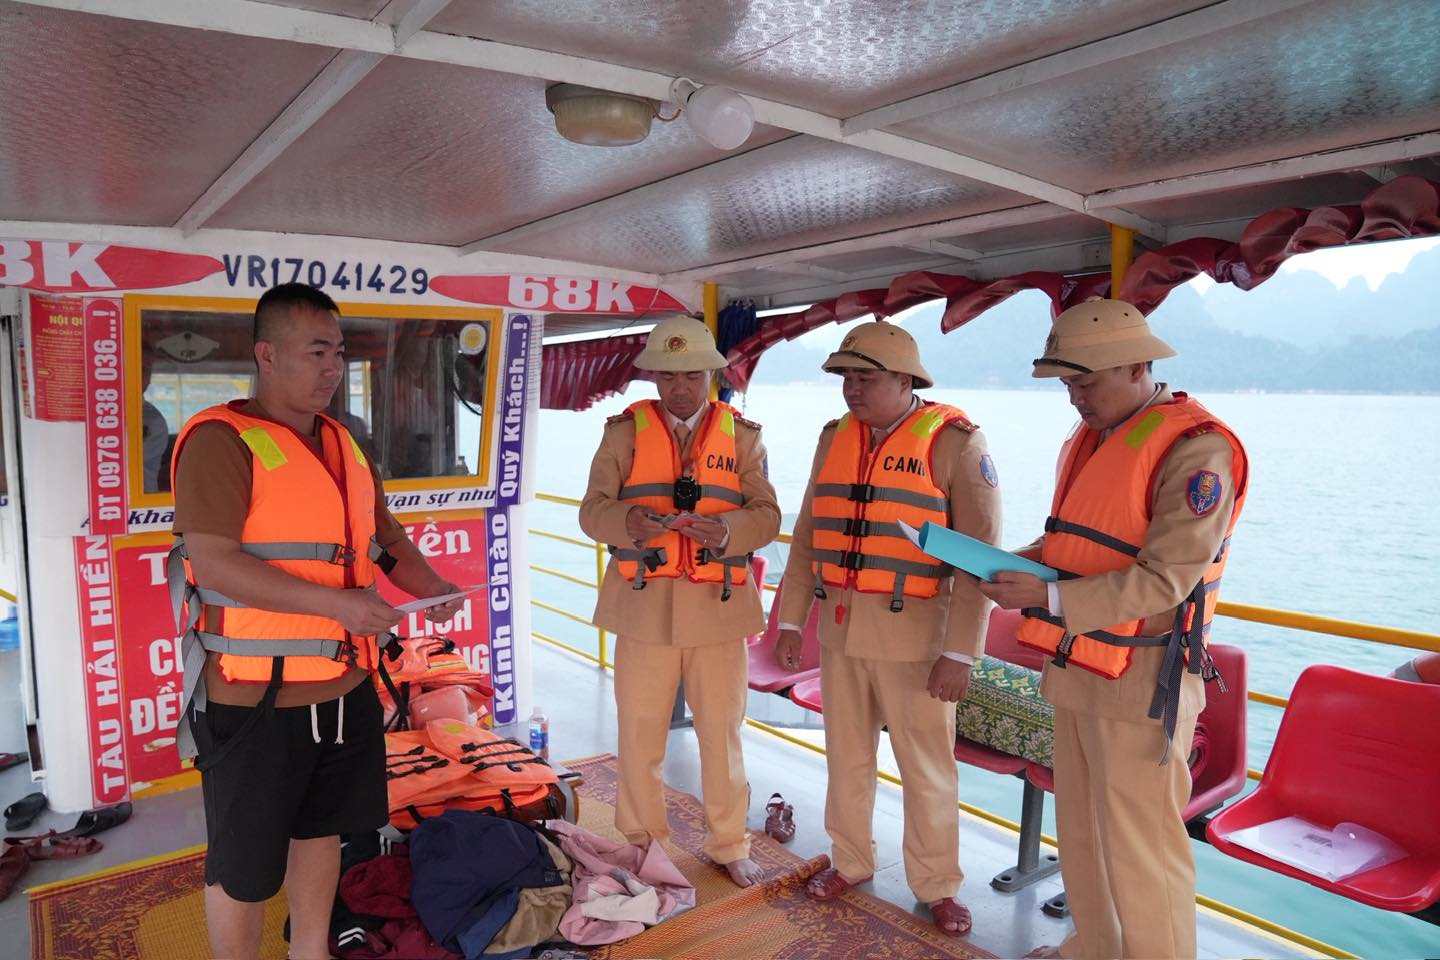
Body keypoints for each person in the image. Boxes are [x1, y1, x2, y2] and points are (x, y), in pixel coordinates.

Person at [168, 283, 466, 960]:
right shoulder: (221, 441)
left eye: (338, 351)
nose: (332, 367)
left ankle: (311, 950)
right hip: (254, 700)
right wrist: (338, 605)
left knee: (323, 835)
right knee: (244, 865)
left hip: (345, 688)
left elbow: (388, 541)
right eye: (316, 351)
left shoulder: (344, 443)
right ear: (267, 354)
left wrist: (434, 586)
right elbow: (212, 564)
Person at [978, 299, 1248, 960]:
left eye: (1085, 383)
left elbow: (1166, 580)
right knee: (1082, 832)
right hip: (1076, 668)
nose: (1074, 399)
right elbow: (1075, 542)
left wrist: (1042, 593)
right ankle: (1093, 948)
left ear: (1136, 365)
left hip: (1143, 682)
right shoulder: (1095, 438)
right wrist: (1015, 564)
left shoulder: (1197, 449)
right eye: (1067, 384)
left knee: (1141, 849)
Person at [774, 321, 1001, 938]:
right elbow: (806, 534)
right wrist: (791, 618)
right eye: (845, 377)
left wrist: (962, 652)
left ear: (905, 379)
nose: (851, 389)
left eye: (865, 378)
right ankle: (849, 860)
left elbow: (980, 556)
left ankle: (938, 885)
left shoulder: (955, 442)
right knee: (846, 758)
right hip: (842, 631)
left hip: (918, 641)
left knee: (927, 768)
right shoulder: (833, 439)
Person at [579, 315, 781, 887]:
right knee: (639, 731)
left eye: (691, 374)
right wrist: (630, 521)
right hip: (643, 605)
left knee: (722, 732)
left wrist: (725, 532)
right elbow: (591, 511)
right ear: (655, 378)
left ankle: (729, 843)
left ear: (710, 375)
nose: (680, 387)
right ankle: (646, 844)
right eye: (669, 376)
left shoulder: (744, 437)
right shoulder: (621, 433)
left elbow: (768, 517)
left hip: (718, 609)